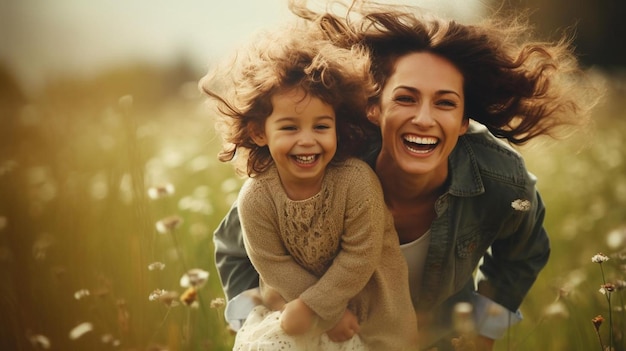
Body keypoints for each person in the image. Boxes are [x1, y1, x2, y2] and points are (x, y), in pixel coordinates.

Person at [210, 1, 601, 350]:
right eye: (405, 98)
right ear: (374, 108)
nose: (425, 119)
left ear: (464, 121)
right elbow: (235, 245)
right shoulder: (328, 157)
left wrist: (481, 335)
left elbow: (524, 255)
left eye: (445, 103)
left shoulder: (501, 180)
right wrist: (257, 325)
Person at [200, 17, 418, 351]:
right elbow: (272, 264)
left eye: (321, 126)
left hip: (369, 314)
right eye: (289, 128)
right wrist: (321, 313)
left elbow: (361, 255)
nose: (307, 141)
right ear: (260, 132)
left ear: (337, 126)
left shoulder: (356, 181)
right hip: (293, 306)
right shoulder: (257, 197)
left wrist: (321, 309)